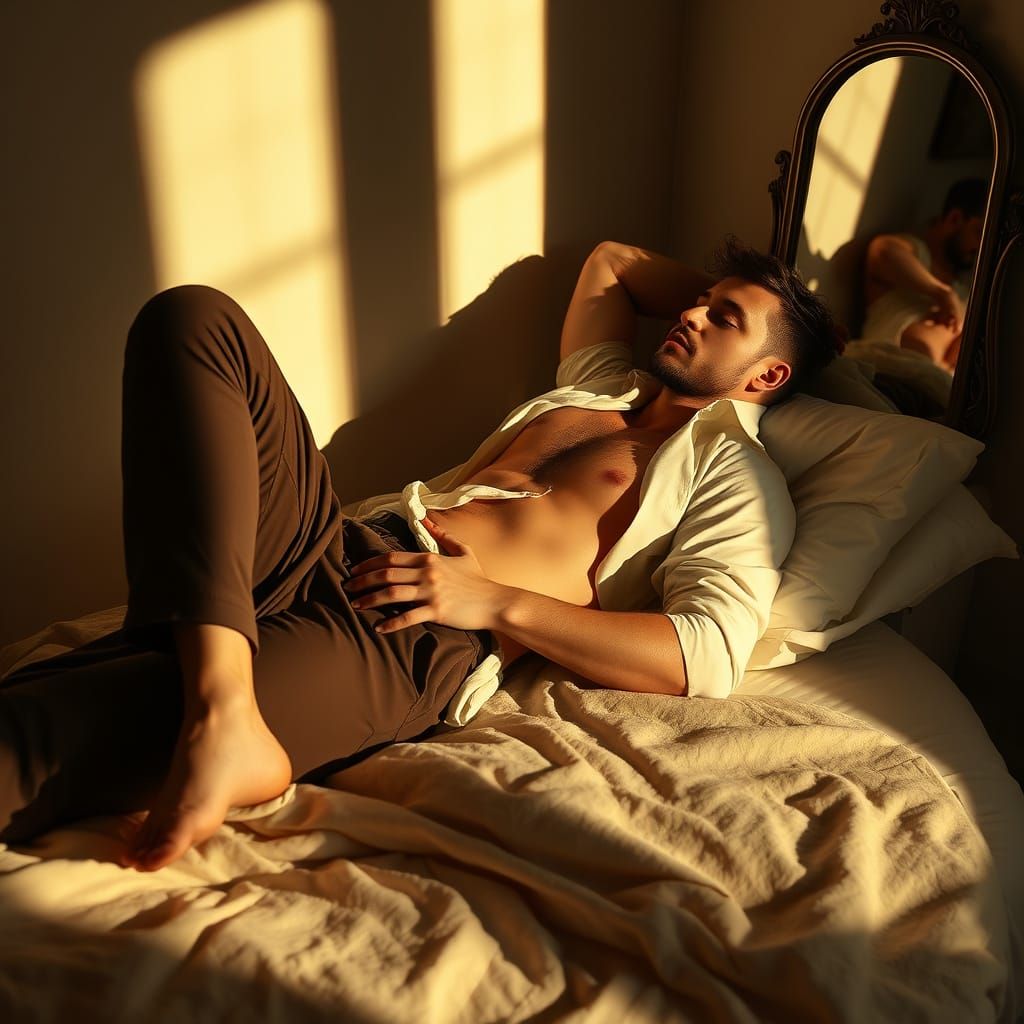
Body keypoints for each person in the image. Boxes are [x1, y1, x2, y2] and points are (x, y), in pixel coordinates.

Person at [0, 237, 837, 872]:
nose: (690, 313)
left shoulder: (736, 475)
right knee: (192, 319)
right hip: (335, 539)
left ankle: (220, 713)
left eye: (723, 318)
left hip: (406, 633)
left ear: (766, 378)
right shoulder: (600, 386)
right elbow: (613, 266)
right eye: (698, 300)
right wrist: (730, 290)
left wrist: (494, 605)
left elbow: (705, 655)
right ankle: (227, 709)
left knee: (41, 728)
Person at [858, 177, 986, 375]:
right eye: (979, 232)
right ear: (954, 219)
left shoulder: (966, 289)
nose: (980, 247)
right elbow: (882, 251)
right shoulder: (917, 254)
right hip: (889, 374)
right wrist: (941, 293)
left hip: (937, 389)